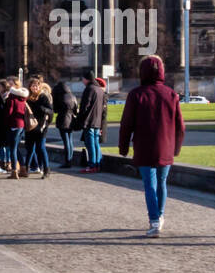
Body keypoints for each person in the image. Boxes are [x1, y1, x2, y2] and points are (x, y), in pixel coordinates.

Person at [118, 54, 185, 236]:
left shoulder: (136, 94)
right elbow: (180, 125)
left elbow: (126, 124)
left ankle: (154, 220)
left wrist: (123, 147)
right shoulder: (171, 94)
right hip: (166, 146)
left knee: (149, 184)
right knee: (162, 183)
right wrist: (176, 148)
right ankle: (160, 216)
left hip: (144, 146)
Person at [75, 69, 106, 173]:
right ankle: (97, 164)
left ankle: (92, 165)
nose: (82, 81)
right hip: (97, 122)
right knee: (96, 143)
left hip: (89, 121)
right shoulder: (100, 90)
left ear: (86, 79)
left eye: (83, 79)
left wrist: (79, 118)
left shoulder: (89, 89)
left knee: (90, 144)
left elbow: (85, 106)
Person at [1, 78, 33, 178]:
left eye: (11, 84)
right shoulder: (22, 97)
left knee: (13, 149)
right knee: (16, 148)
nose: (9, 86)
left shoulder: (12, 97)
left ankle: (14, 171)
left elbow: (8, 113)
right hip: (21, 125)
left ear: (16, 86)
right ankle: (23, 168)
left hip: (13, 125)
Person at [24, 75, 54, 178]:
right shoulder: (27, 98)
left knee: (41, 147)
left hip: (41, 127)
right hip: (30, 126)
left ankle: (46, 170)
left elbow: (51, 111)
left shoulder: (43, 97)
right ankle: (26, 169)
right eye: (33, 86)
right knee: (30, 149)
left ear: (39, 87)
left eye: (36, 86)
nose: (35, 88)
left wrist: (43, 109)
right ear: (30, 87)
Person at [53, 80, 78, 168]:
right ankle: (69, 160)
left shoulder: (60, 96)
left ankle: (67, 161)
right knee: (70, 141)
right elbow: (76, 109)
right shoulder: (72, 96)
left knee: (66, 141)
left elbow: (55, 109)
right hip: (71, 119)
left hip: (63, 119)